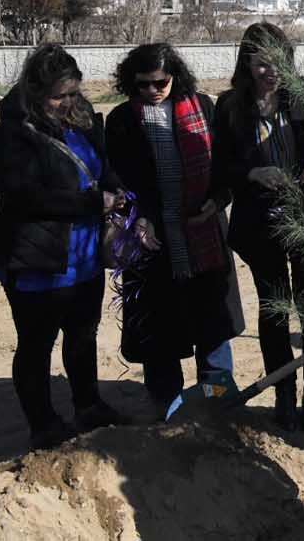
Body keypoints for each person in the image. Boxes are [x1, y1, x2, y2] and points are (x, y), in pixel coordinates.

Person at [0, 44, 129, 449]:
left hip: (83, 255)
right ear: (34, 91)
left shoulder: (81, 120)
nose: (67, 103)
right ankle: (43, 423)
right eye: (58, 96)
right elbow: (19, 196)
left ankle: (89, 406)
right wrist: (88, 203)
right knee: (36, 343)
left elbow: (103, 166)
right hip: (36, 257)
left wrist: (117, 190)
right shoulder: (13, 134)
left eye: (73, 94)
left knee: (83, 335)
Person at [104, 43, 244, 418]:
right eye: (142, 84)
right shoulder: (121, 120)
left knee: (212, 326)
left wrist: (216, 200)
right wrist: (140, 215)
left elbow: (224, 166)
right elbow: (116, 176)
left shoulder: (203, 107)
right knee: (158, 331)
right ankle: (166, 406)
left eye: (160, 83)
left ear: (175, 77)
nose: (152, 91)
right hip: (149, 241)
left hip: (203, 235)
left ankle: (216, 398)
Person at [213, 23, 304, 432]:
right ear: (246, 62)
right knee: (274, 308)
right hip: (259, 221)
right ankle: (284, 391)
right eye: (263, 63)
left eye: (280, 62)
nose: (272, 71)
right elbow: (222, 165)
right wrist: (252, 173)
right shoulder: (230, 106)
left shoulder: (303, 94)